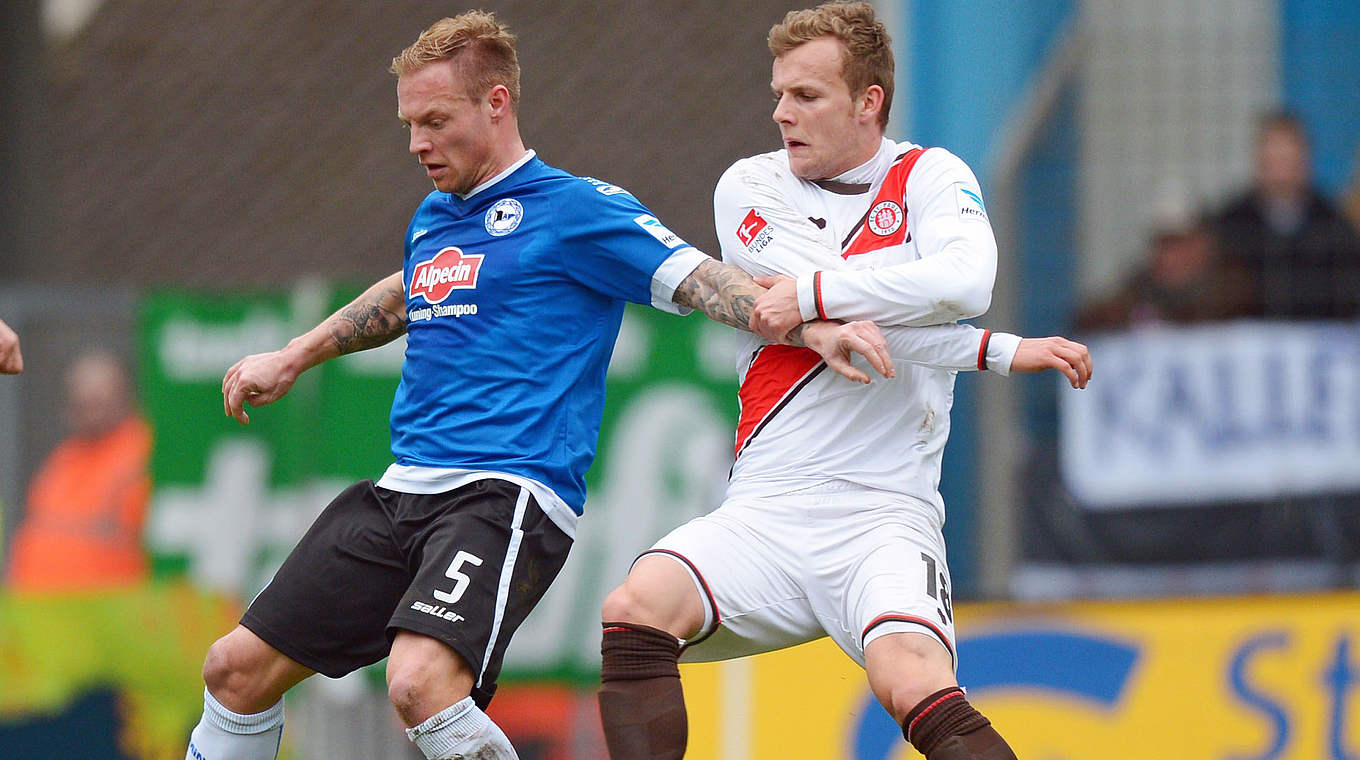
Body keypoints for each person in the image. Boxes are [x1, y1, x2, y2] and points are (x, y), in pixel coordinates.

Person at [185, 11, 903, 760]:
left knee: (419, 684)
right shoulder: (437, 216)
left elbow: (699, 279)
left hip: (503, 495)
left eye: (436, 120)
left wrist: (807, 323)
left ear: (497, 103)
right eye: (408, 124)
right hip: (403, 492)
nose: (417, 143)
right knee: (234, 670)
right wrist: (296, 355)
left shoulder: (579, 211)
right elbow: (408, 292)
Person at [596, 4, 1091, 760]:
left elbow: (965, 280)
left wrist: (818, 300)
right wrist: (990, 348)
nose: (781, 113)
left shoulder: (931, 175)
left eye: (806, 96)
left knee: (911, 677)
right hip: (768, 507)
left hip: (885, 515)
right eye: (779, 93)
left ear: (869, 103)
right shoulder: (749, 186)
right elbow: (822, 307)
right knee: (635, 611)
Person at [6, 351, 152, 591]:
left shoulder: (142, 454)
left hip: (112, 614)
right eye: (80, 401)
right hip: (42, 614)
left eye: (98, 400)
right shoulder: (62, 461)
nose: (89, 410)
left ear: (124, 396)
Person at [1211, 110, 1360, 320]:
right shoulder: (1229, 224)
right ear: (1259, 158)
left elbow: (1348, 297)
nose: (1281, 165)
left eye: (1288, 155)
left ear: (1305, 158)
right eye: (1274, 155)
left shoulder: (1335, 225)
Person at [1075, 196, 1251, 331]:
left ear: (1203, 243)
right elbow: (1091, 318)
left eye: (1180, 244)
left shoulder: (1231, 287)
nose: (1172, 256)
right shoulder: (1140, 286)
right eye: (1165, 245)